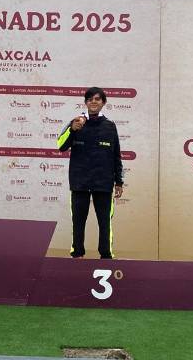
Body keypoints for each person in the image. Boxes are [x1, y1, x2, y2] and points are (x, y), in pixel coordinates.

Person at [57, 87, 123, 258]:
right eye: (90, 99)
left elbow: (116, 155)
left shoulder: (110, 126)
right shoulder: (76, 122)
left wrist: (119, 182)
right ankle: (77, 253)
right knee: (78, 222)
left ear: (103, 103)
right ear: (85, 102)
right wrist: (72, 129)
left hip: (103, 183)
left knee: (104, 223)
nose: (93, 102)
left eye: (97, 99)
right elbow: (60, 146)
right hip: (80, 182)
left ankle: (106, 256)